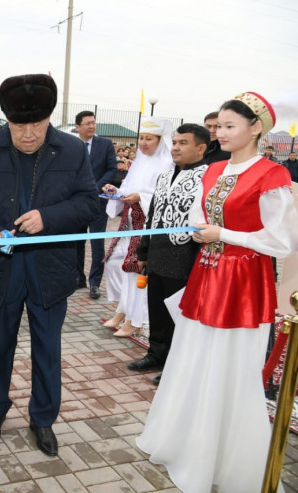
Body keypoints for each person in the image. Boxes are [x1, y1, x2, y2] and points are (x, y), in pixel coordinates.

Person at [137, 91, 298, 493]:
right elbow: (199, 217)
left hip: (243, 280)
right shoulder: (212, 171)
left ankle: (223, 459)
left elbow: (281, 241)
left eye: (229, 126)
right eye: (219, 126)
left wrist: (222, 234)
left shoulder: (271, 175)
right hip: (206, 274)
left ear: (256, 128)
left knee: (230, 365)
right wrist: (199, 230)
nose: (220, 133)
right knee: (192, 356)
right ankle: (184, 443)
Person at [0, 74, 97, 457]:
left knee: (47, 348)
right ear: (6, 119)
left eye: (36, 125)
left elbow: (89, 203)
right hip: (0, 267)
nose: (27, 134)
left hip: (50, 269)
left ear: (49, 118)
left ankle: (43, 418)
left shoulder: (72, 150)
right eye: (18, 125)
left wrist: (48, 218)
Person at [128, 124, 209, 384]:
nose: (175, 147)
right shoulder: (164, 176)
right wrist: (143, 250)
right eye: (174, 142)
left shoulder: (207, 178)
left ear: (201, 148)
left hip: (184, 257)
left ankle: (177, 365)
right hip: (157, 254)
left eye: (183, 143)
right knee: (157, 309)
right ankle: (156, 354)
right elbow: (153, 216)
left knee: (179, 315)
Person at [102, 117, 174, 337]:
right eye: (141, 138)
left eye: (149, 139)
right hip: (129, 221)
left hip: (147, 225)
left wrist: (140, 197)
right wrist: (116, 192)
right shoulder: (139, 162)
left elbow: (165, 197)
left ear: (160, 141)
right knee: (116, 263)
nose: (143, 143)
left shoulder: (168, 164)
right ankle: (124, 310)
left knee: (136, 270)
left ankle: (136, 320)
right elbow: (128, 189)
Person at [73, 110, 117, 299]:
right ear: (78, 127)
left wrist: (94, 187)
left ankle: (95, 283)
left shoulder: (105, 144)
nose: (92, 126)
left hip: (98, 202)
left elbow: (112, 170)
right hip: (76, 203)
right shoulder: (71, 145)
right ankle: (78, 278)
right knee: (76, 242)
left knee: (97, 244)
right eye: (87, 123)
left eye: (93, 122)